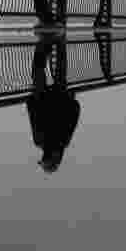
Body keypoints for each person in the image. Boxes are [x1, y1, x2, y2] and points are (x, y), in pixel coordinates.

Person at [26, 33, 81, 173]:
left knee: (60, 69)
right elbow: (33, 116)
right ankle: (45, 40)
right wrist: (30, 101)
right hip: (43, 97)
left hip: (59, 97)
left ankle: (57, 38)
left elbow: (75, 111)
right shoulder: (40, 141)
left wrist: (71, 100)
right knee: (38, 71)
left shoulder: (63, 141)